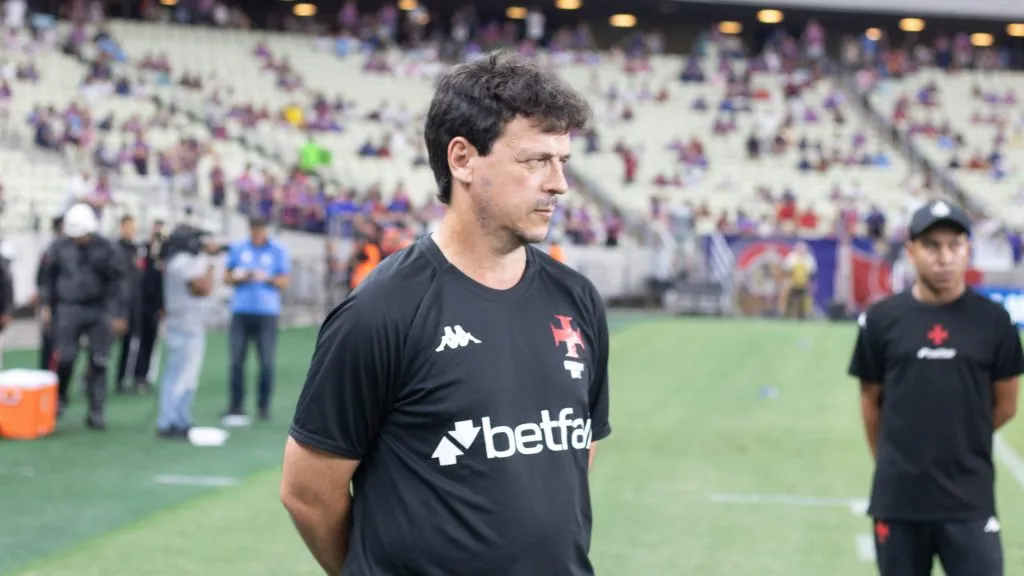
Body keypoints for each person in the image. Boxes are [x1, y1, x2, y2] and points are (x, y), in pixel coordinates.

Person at [280, 52, 609, 576]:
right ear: (462, 159)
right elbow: (307, 493)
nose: (558, 183)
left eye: (562, 161)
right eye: (534, 161)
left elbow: (575, 451)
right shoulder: (382, 310)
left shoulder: (577, 299)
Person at [848, 200, 1022, 576]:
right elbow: (870, 401)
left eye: (954, 245)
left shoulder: (994, 322)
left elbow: (1007, 404)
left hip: (969, 500)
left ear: (967, 250)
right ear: (911, 251)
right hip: (899, 500)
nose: (944, 257)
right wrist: (898, 455)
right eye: (932, 246)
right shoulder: (881, 320)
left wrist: (959, 435)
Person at [38, 203, 129, 429]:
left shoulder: (107, 249)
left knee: (99, 361)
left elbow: (119, 282)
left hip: (99, 309)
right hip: (68, 308)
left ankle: (96, 411)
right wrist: (46, 305)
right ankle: (60, 399)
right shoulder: (58, 247)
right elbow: (46, 278)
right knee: (65, 357)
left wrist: (118, 313)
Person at [222, 216, 290, 423]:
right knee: (236, 360)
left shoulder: (277, 250)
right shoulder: (239, 247)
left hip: (266, 312)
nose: (257, 233)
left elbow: (284, 281)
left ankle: (263, 406)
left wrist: (266, 278)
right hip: (241, 310)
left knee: (267, 362)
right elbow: (226, 277)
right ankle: (236, 405)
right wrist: (240, 276)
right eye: (254, 230)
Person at [156, 224, 219, 439]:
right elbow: (202, 288)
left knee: (185, 375)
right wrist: (209, 264)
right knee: (180, 375)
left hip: (187, 324)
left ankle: (179, 418)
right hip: (184, 325)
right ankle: (169, 420)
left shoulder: (179, 261)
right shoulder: (181, 263)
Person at [114, 214, 144, 394]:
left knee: (129, 342)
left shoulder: (136, 249)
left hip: (133, 303)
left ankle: (122, 378)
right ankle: (89, 378)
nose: (132, 230)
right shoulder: (115, 249)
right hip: (117, 304)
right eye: (128, 226)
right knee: (104, 344)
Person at [35, 216, 63, 371]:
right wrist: (45, 305)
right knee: (48, 343)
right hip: (52, 304)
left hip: (66, 305)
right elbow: (42, 279)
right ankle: (45, 379)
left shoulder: (74, 251)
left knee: (63, 347)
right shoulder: (50, 251)